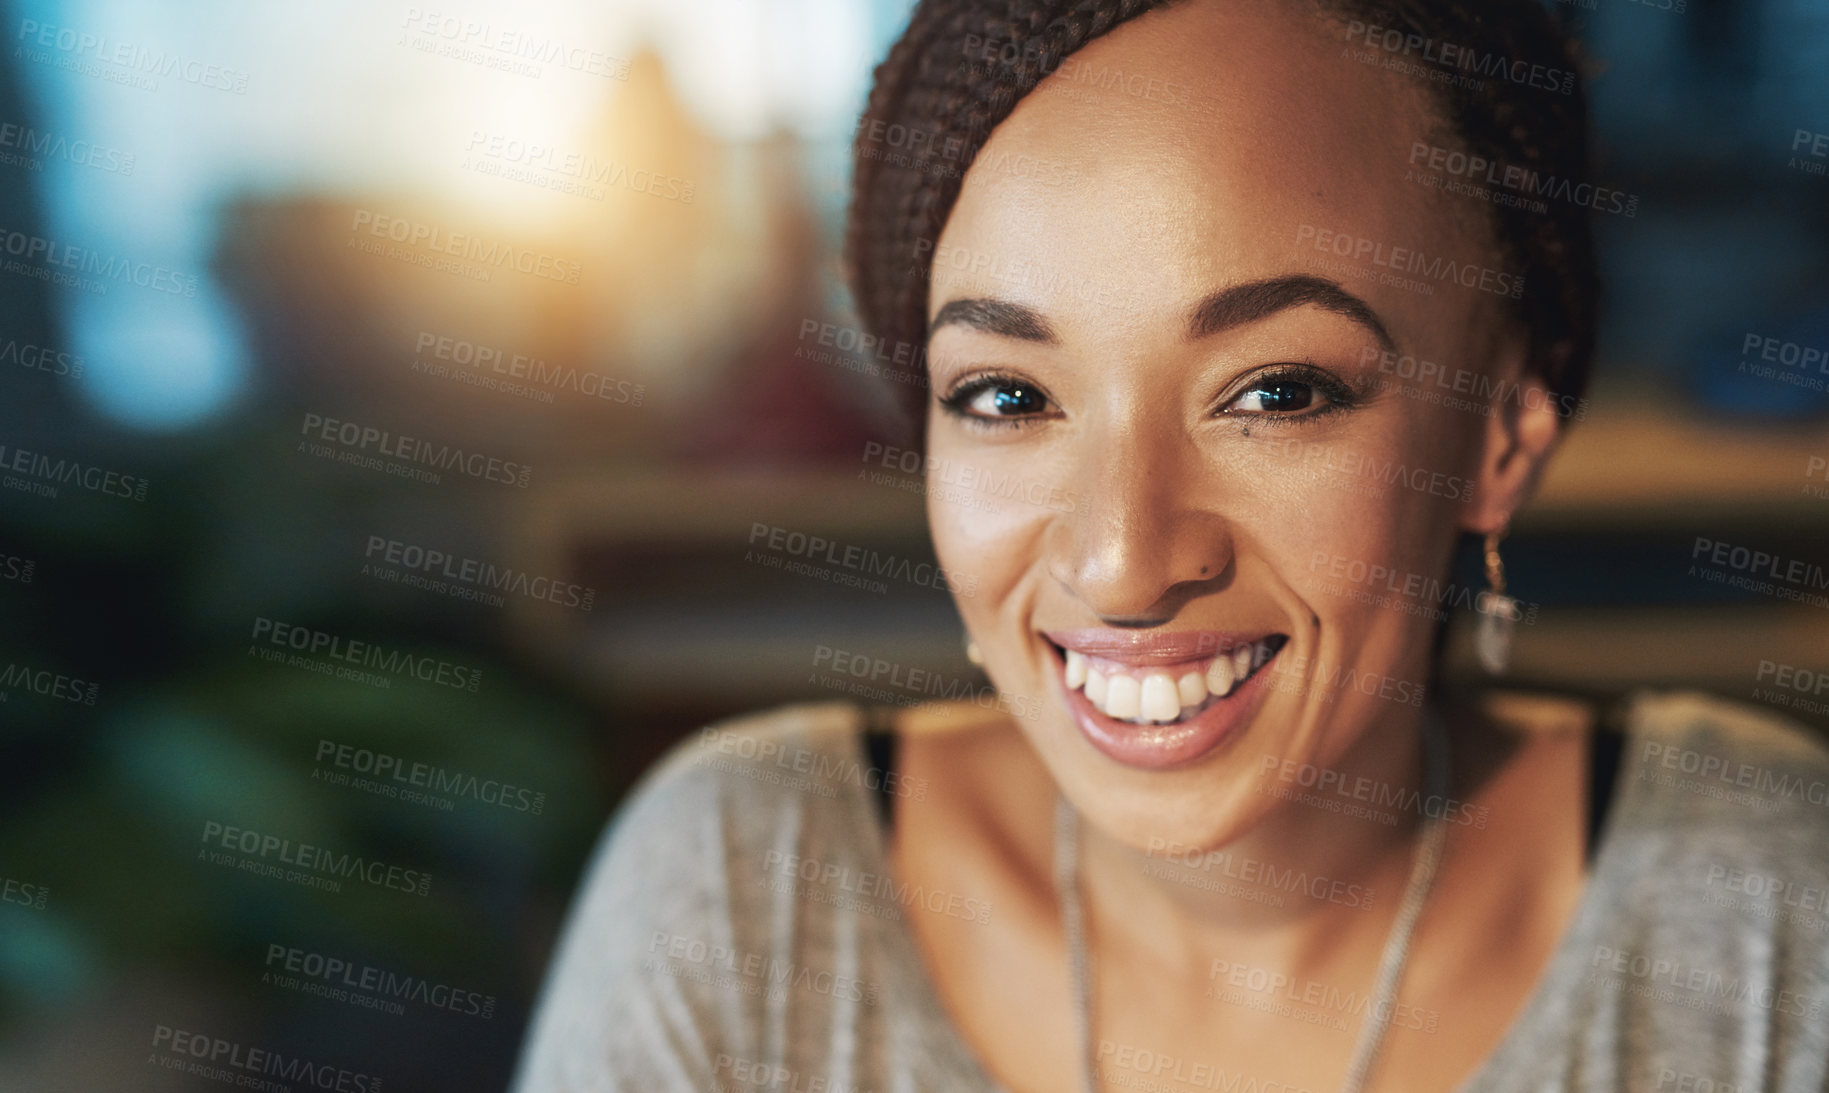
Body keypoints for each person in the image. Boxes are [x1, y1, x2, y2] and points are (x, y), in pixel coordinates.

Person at [512, 2, 1829, 1090]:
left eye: (1274, 393)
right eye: (1008, 396)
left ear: (1497, 436)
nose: (1122, 560)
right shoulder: (742, 897)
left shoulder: (1759, 905)